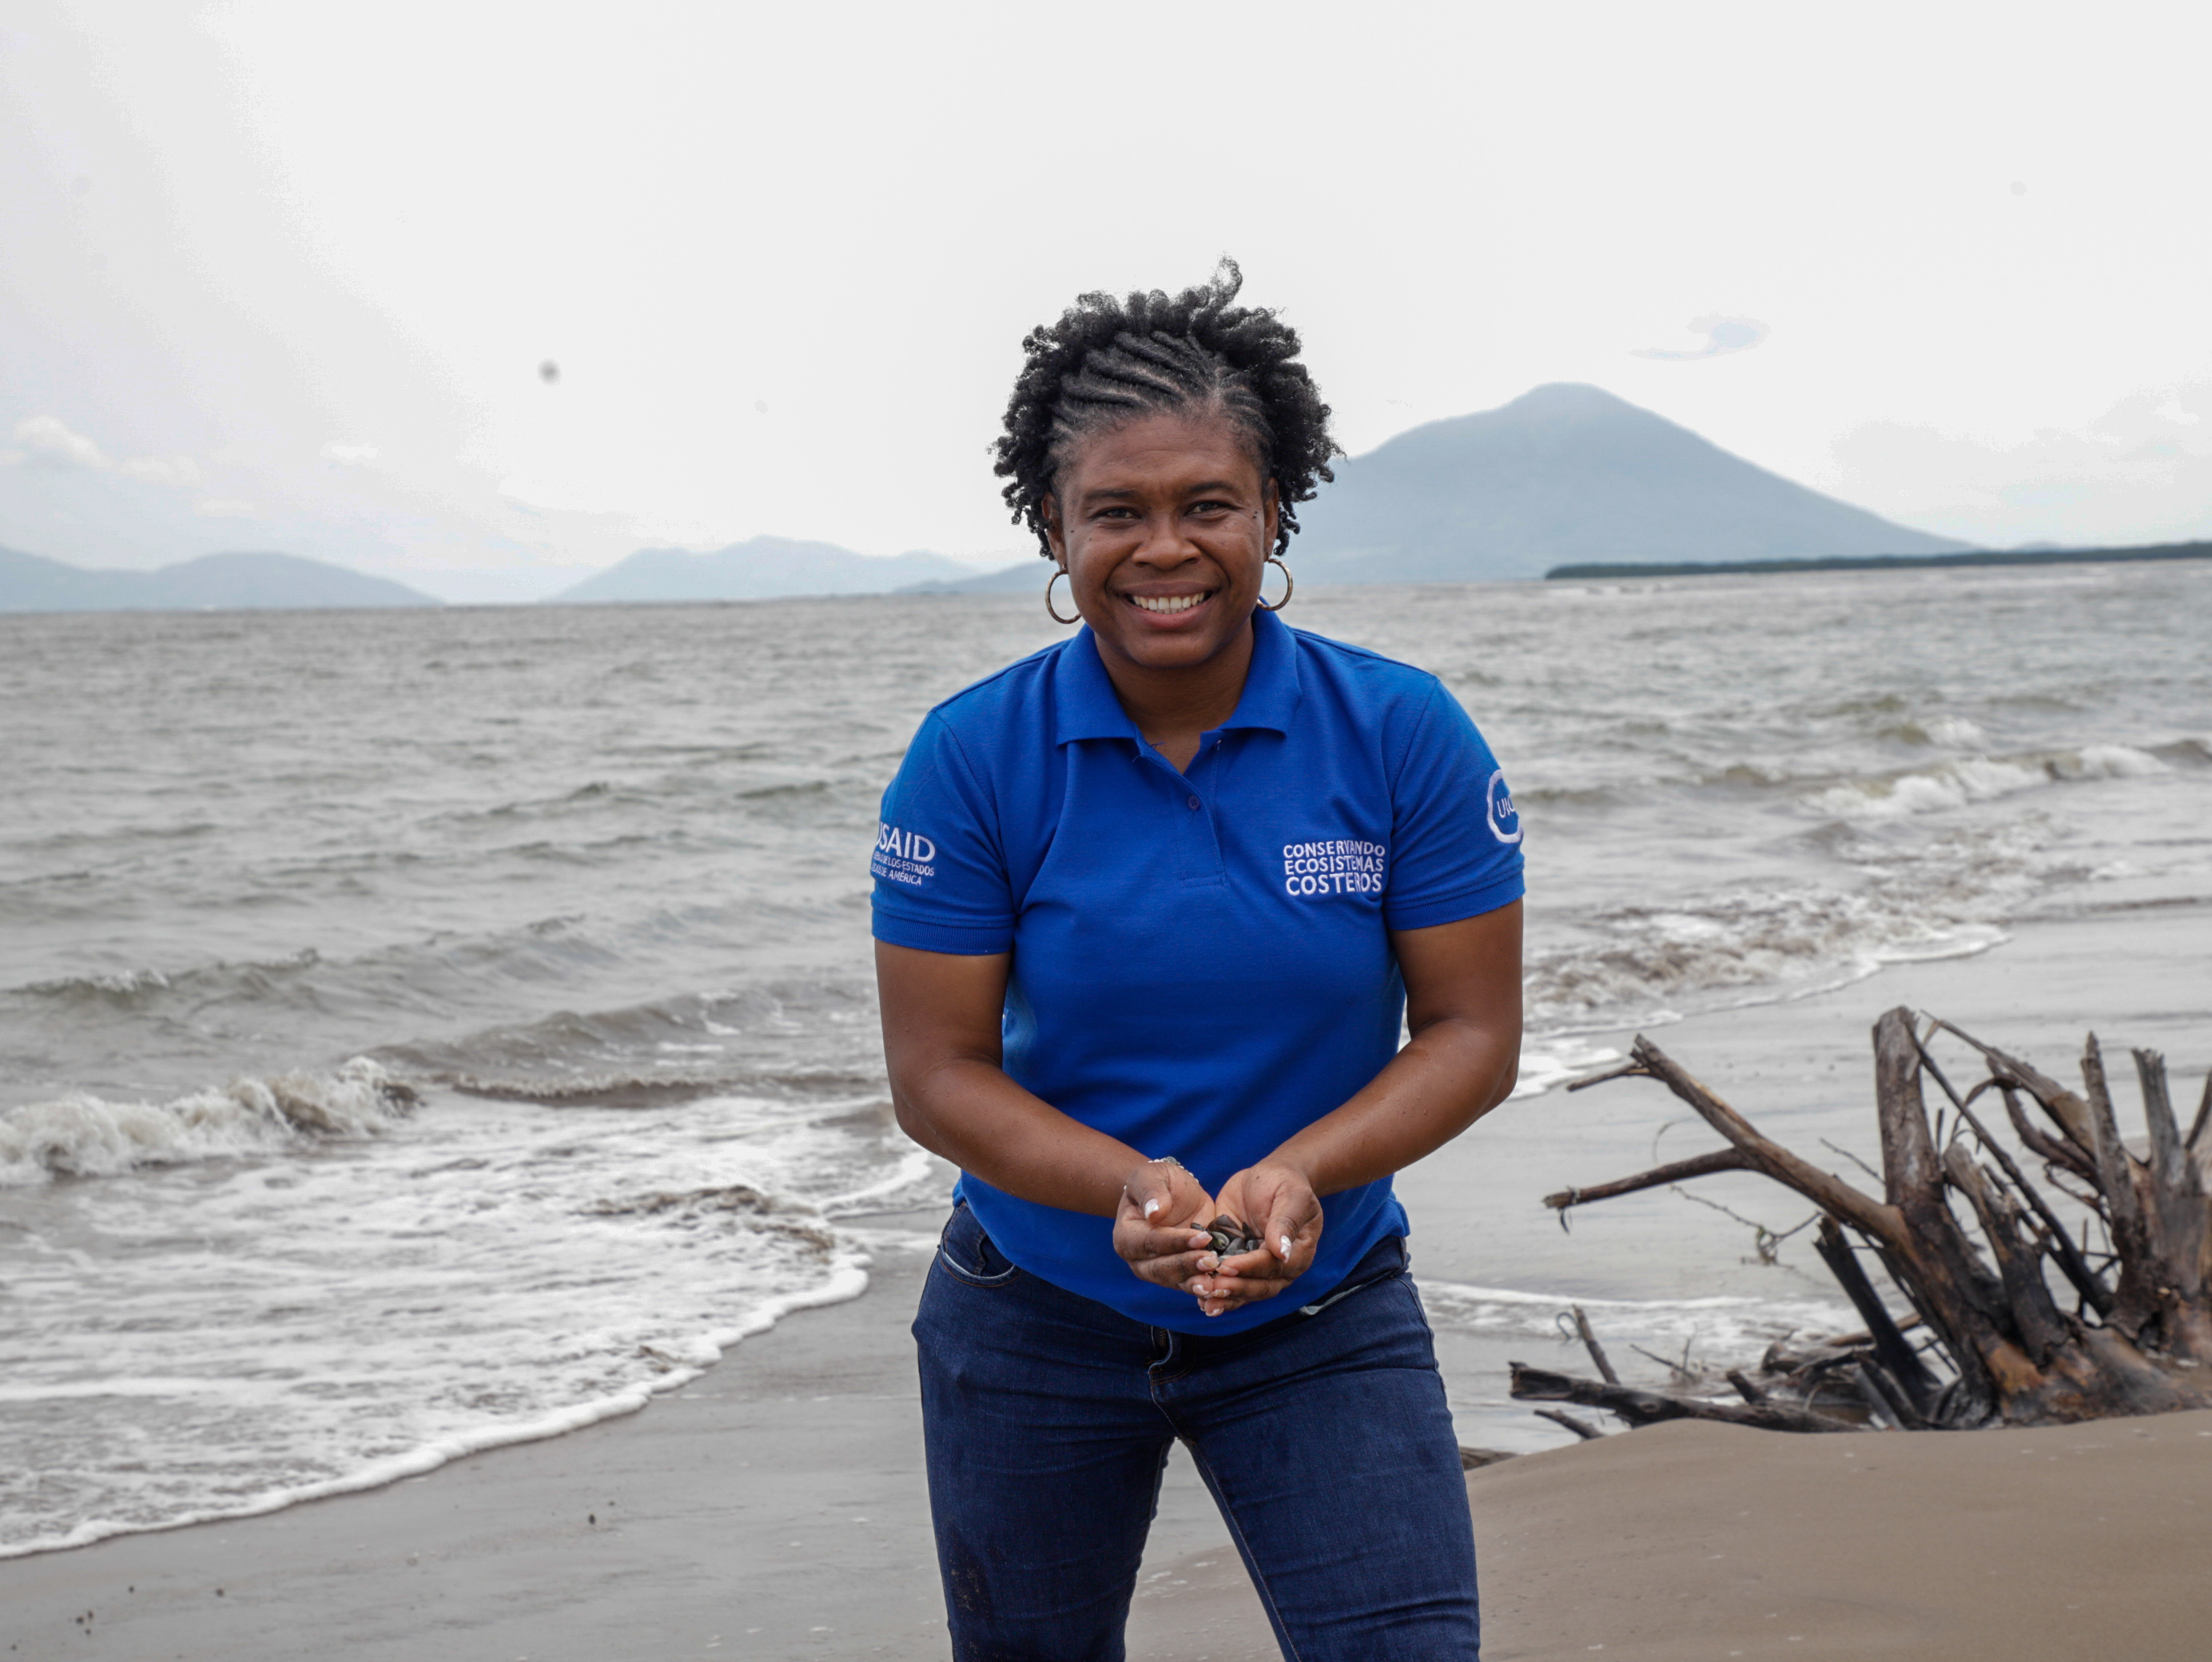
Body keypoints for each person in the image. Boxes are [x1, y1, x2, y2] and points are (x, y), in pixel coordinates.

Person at [871, 261, 1524, 1661]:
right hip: (1030, 1317)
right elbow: (935, 1076)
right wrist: (1128, 1189)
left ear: (1273, 512)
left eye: (1205, 505)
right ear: (1053, 529)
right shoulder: (972, 757)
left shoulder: (1402, 734)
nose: (1163, 546)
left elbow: (1471, 1034)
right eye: (1117, 511)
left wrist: (1302, 1176)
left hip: (1324, 1304)